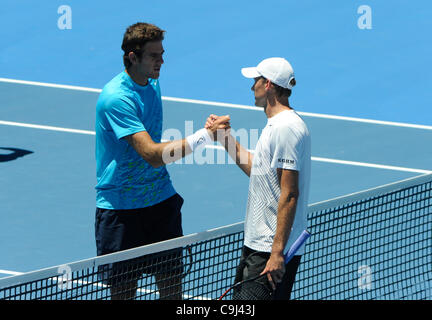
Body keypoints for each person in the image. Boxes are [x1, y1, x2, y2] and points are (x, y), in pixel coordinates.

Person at [94, 22, 230, 300]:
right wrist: (206, 136)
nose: (162, 61)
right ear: (133, 57)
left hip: (160, 201)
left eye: (162, 53)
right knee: (123, 295)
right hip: (122, 211)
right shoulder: (116, 99)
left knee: (172, 294)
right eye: (154, 56)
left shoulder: (152, 81)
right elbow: (152, 155)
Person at [206, 57, 311, 300]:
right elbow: (258, 170)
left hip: (268, 251)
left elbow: (290, 193)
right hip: (258, 246)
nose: (251, 86)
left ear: (269, 85)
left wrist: (276, 252)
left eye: (255, 80)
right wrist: (224, 138)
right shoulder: (276, 125)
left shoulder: (286, 129)